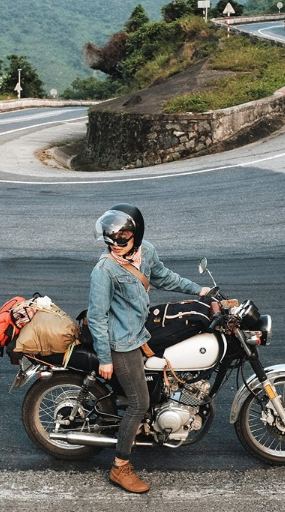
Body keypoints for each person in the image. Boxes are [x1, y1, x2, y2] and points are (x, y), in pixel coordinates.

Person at [87, 204, 210, 493]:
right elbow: (97, 316)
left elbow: (165, 277)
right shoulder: (104, 270)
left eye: (122, 237)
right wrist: (105, 357)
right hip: (122, 343)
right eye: (111, 239)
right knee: (139, 404)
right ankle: (120, 466)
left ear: (137, 235)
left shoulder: (147, 252)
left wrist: (199, 290)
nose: (115, 244)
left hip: (139, 332)